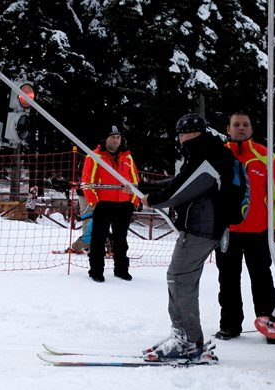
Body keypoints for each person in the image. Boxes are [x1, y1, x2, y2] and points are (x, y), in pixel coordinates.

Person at [141, 113, 234, 362]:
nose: (181, 138)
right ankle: (182, 333)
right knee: (178, 278)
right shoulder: (207, 152)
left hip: (201, 229)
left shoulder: (206, 154)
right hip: (203, 227)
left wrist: (155, 199)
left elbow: (185, 187)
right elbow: (185, 181)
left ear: (195, 132)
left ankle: (188, 341)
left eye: (184, 133)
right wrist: (152, 188)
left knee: (180, 279)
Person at [214, 111, 275, 344]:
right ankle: (230, 324)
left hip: (258, 231)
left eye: (245, 124)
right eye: (235, 124)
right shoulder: (218, 156)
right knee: (228, 280)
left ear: (252, 129)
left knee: (262, 279)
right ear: (228, 129)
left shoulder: (267, 157)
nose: (240, 128)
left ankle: (269, 324)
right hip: (228, 231)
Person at [83, 126, 140, 282]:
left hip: (124, 204)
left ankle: (121, 269)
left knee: (121, 239)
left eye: (118, 137)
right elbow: (87, 182)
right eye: (112, 137)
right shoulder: (94, 157)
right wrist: (94, 202)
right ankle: (96, 271)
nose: (116, 140)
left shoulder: (127, 157)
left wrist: (134, 200)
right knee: (98, 238)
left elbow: (135, 181)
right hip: (103, 204)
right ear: (105, 139)